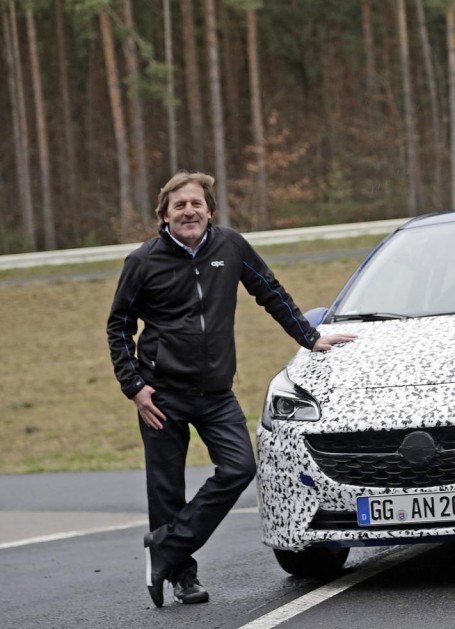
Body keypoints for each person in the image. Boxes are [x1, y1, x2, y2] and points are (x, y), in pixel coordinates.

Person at [107, 171, 356, 607]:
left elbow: (269, 291)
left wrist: (309, 337)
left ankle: (166, 546)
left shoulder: (231, 246)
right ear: (164, 215)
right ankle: (182, 577)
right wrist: (135, 388)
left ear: (209, 211)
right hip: (162, 395)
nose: (189, 211)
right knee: (166, 490)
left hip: (217, 392)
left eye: (196, 204)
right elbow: (119, 326)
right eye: (179, 205)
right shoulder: (142, 262)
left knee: (239, 467)